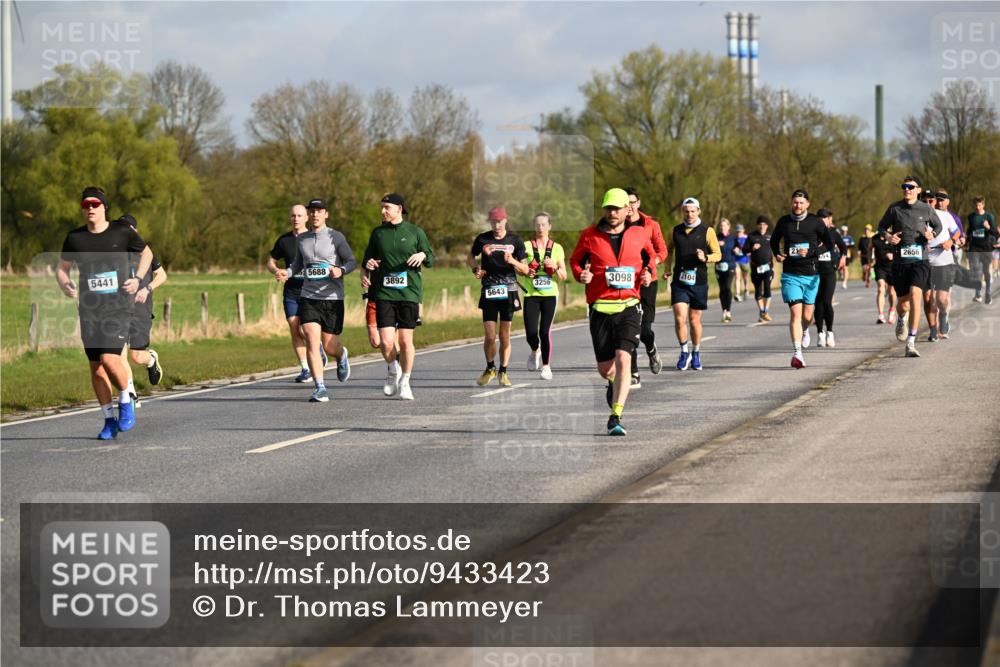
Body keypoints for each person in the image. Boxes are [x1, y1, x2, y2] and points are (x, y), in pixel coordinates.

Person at [57, 186, 153, 440]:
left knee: (110, 360)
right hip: (89, 311)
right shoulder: (75, 237)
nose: (90, 208)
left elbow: (147, 254)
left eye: (95, 204)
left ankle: (126, 400)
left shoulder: (121, 232)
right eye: (86, 204)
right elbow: (62, 268)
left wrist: (138, 279)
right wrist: (65, 283)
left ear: (104, 207)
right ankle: (109, 420)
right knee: (97, 368)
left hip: (118, 308)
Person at [570, 188, 654, 436]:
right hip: (600, 308)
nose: (612, 213)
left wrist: (648, 274)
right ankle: (612, 381)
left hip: (629, 305)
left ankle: (615, 415)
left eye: (617, 209)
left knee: (624, 358)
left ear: (627, 209)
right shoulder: (590, 236)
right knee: (606, 369)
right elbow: (575, 262)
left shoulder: (639, 234)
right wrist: (581, 275)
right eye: (609, 208)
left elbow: (651, 258)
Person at [278, 198, 356, 401]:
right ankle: (320, 387)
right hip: (309, 296)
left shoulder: (336, 237)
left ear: (326, 214)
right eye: (312, 211)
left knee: (329, 346)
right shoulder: (302, 239)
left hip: (332, 298)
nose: (315, 214)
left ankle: (341, 355)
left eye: (319, 211)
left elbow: (351, 261)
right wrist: (287, 272)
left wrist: (341, 270)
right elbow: (298, 264)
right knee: (312, 339)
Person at [362, 193, 435, 400]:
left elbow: (430, 258)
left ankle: (405, 381)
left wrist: (422, 254)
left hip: (409, 293)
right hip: (384, 293)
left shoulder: (415, 232)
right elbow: (367, 259)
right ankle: (393, 370)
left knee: (405, 340)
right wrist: (368, 265)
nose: (383, 211)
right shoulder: (378, 233)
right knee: (385, 342)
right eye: (382, 207)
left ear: (399, 209)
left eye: (387, 207)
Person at [769, 188, 836, 369]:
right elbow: (774, 241)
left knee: (807, 316)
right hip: (790, 275)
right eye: (795, 202)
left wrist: (812, 251)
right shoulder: (784, 222)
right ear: (791, 203)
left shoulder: (815, 222)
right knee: (795, 314)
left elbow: (829, 244)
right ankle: (797, 353)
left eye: (801, 203)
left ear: (807, 204)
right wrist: (778, 254)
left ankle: (805, 329)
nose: (797, 205)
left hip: (811, 274)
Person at [877, 176, 942, 358]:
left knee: (915, 295)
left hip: (920, 260)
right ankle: (900, 318)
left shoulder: (926, 208)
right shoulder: (895, 208)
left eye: (911, 187)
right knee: (903, 304)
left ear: (918, 190)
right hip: (900, 262)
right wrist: (889, 237)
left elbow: (938, 226)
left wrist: (932, 234)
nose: (907, 189)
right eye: (904, 186)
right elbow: (881, 227)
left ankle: (911, 342)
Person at [468, 206, 529, 387]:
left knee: (504, 335)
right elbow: (470, 256)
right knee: (489, 335)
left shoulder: (515, 241)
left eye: (499, 222)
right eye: (493, 222)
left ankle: (503, 371)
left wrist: (513, 261)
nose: (496, 226)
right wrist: (476, 269)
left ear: (505, 220)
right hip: (489, 290)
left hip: (509, 291)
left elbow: (525, 270)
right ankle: (490, 368)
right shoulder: (482, 239)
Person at [116, 214, 166, 407]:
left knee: (136, 356)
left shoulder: (144, 252)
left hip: (141, 309)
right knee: (119, 355)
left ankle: (151, 359)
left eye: (127, 229)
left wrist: (147, 289)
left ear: (135, 231)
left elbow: (162, 275)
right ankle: (131, 395)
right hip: (120, 310)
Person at [669, 197, 722, 370]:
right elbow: (669, 251)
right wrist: (667, 269)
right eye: (686, 211)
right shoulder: (676, 230)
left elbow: (718, 254)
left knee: (694, 320)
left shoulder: (707, 231)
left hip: (699, 281)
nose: (690, 214)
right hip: (680, 281)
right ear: (682, 212)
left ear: (698, 211)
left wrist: (705, 257)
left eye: (693, 211)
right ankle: (684, 352)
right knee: (679, 317)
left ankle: (696, 352)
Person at [624, 187, 668, 386]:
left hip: (648, 281)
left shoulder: (650, 224)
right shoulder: (617, 226)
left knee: (644, 330)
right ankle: (633, 373)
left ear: (638, 203)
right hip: (626, 282)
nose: (629, 207)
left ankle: (651, 349)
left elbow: (662, 250)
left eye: (632, 202)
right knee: (629, 327)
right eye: (626, 203)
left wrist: (652, 265)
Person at [267, 204, 313, 382]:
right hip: (291, 292)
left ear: (306, 218)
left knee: (306, 329)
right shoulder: (283, 240)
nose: (296, 219)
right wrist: (277, 271)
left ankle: (317, 349)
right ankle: (305, 368)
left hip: (311, 292)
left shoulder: (314, 238)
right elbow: (271, 261)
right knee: (295, 329)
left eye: (300, 215)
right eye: (293, 216)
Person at [518, 212, 567, 381]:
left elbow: (564, 276)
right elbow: (520, 269)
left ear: (549, 226)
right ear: (533, 226)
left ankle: (546, 367)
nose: (540, 228)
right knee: (531, 333)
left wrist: (555, 267)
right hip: (531, 294)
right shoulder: (525, 246)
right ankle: (535, 351)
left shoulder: (557, 248)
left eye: (544, 224)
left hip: (550, 295)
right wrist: (527, 270)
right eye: (537, 224)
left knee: (544, 331)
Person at [926, 192, 962, 341]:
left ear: (935, 202)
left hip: (945, 262)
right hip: (926, 263)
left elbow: (957, 232)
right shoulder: (918, 216)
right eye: (925, 201)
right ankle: (933, 330)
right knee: (929, 299)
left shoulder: (945, 216)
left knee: (941, 299)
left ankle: (944, 314)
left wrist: (950, 242)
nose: (928, 203)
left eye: (931, 201)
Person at [813, 209, 848, 348]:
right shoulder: (812, 233)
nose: (824, 220)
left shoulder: (833, 233)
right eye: (821, 218)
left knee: (827, 302)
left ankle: (830, 332)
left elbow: (843, 247)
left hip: (829, 272)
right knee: (818, 303)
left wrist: (843, 258)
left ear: (829, 220)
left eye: (826, 218)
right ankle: (820, 333)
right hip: (815, 272)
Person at [967, 196, 997, 304]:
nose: (977, 207)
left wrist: (988, 227)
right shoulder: (971, 216)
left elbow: (995, 233)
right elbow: (970, 230)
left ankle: (988, 293)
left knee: (986, 271)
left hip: (986, 247)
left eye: (979, 205)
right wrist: (967, 240)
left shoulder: (989, 216)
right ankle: (977, 294)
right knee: (976, 270)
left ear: (983, 205)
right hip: (974, 247)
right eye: (976, 205)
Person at [746, 215, 774, 321]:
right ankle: (762, 311)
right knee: (758, 290)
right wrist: (752, 248)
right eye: (760, 224)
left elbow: (776, 249)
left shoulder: (770, 236)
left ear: (767, 226)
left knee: (767, 288)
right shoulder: (751, 236)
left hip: (768, 267)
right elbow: (744, 250)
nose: (762, 226)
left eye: (764, 224)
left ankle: (765, 311)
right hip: (755, 267)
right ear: (757, 225)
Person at [872, 228, 897, 324]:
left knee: (892, 292)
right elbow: (870, 248)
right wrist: (870, 261)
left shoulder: (893, 236)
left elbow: (900, 248)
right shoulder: (875, 238)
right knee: (880, 288)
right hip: (880, 267)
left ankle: (892, 310)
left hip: (892, 267)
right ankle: (881, 315)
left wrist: (893, 255)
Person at [715, 218, 737, 323]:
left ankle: (728, 311)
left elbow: (739, 247)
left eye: (724, 225)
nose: (722, 227)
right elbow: (709, 249)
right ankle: (724, 310)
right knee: (722, 289)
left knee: (727, 287)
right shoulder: (716, 237)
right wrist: (716, 245)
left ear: (728, 226)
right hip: (719, 266)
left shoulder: (733, 237)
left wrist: (737, 249)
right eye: (721, 226)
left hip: (730, 266)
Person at [732, 222, 751, 301]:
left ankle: (746, 289)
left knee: (745, 277)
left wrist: (748, 252)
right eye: (737, 231)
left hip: (745, 260)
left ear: (743, 231)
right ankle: (737, 294)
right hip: (736, 260)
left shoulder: (747, 238)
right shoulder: (734, 239)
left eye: (740, 231)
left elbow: (750, 249)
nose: (738, 233)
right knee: (737, 276)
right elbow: (731, 248)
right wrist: (734, 250)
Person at [838, 224, 855, 289]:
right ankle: (841, 274)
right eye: (843, 231)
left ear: (847, 231)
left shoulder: (849, 237)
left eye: (845, 231)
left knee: (845, 267)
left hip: (847, 255)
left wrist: (846, 246)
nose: (844, 232)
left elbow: (853, 245)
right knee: (839, 267)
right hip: (839, 254)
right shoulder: (839, 237)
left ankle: (844, 282)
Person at [858, 224, 875, 289]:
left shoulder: (873, 238)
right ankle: (864, 274)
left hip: (870, 256)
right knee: (865, 269)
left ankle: (868, 282)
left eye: (868, 230)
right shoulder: (862, 238)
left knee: (869, 269)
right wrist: (859, 254)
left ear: (870, 230)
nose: (866, 231)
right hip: (863, 256)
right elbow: (859, 248)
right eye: (865, 229)